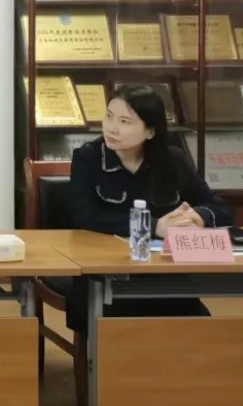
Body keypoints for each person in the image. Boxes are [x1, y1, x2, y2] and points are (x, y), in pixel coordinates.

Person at [66, 84, 231, 331]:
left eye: (124, 121)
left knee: (201, 332)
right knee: (121, 330)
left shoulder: (172, 160)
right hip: (105, 276)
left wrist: (197, 217)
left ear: (150, 131)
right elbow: (85, 217)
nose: (111, 128)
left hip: (163, 275)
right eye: (109, 117)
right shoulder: (87, 159)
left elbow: (220, 208)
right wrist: (155, 227)